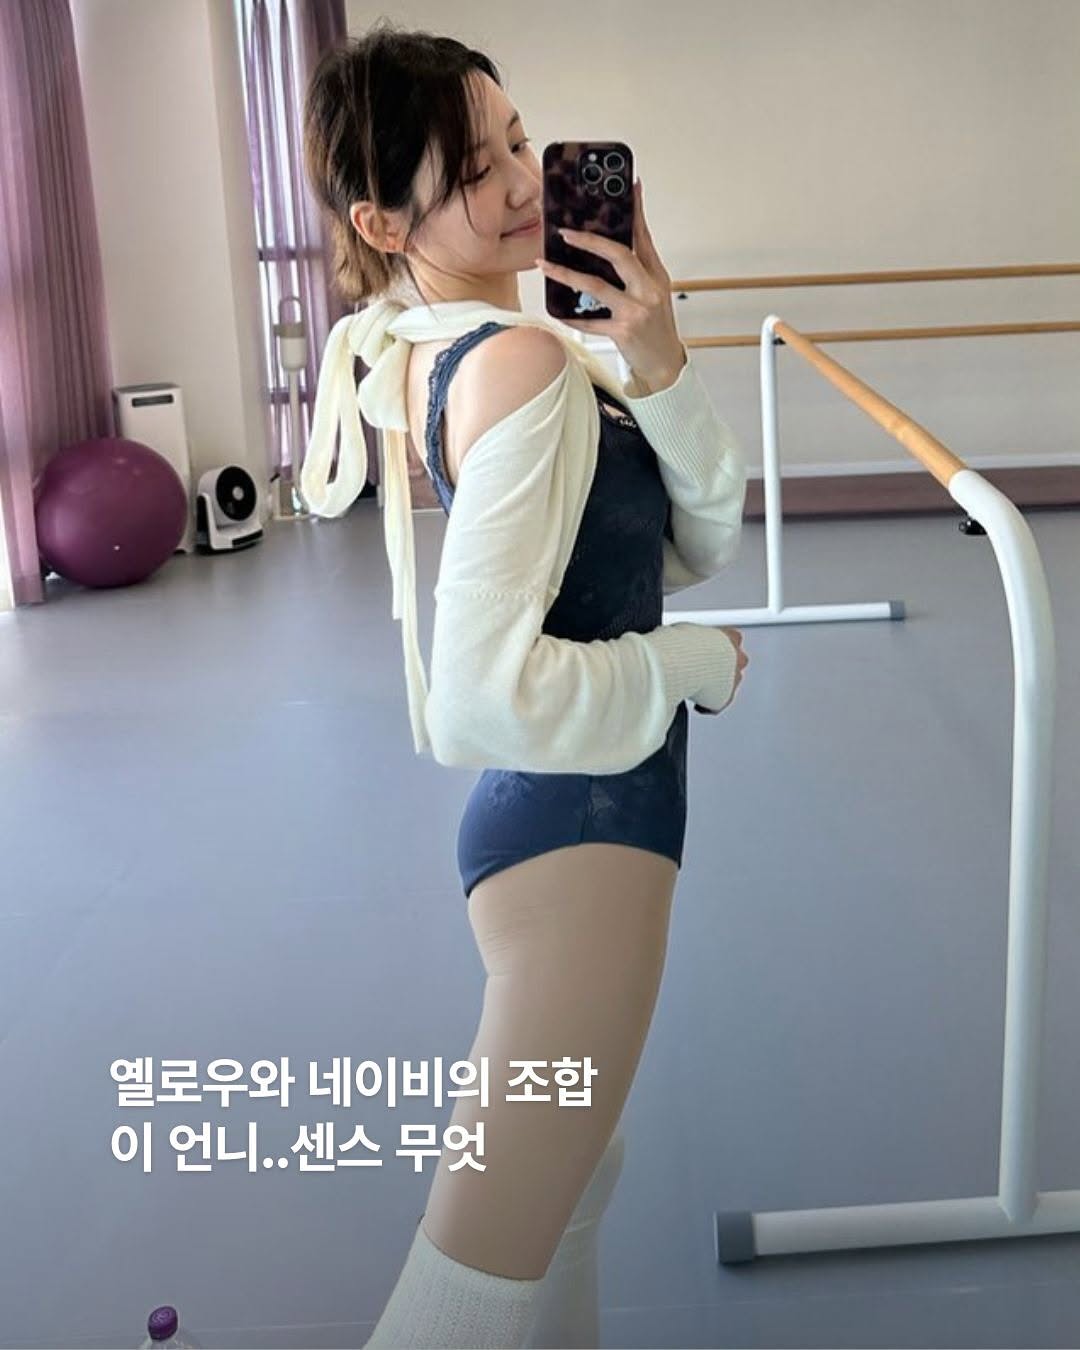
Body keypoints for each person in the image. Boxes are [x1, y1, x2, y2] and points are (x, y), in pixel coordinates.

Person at [300, 20, 749, 1348]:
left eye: (516, 142)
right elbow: (478, 698)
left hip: (564, 834)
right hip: (582, 845)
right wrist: (688, 665)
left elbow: (696, 544)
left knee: (570, 1187)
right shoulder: (522, 366)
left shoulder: (508, 346)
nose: (518, 184)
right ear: (385, 223)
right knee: (466, 1289)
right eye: (472, 171)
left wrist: (658, 359)